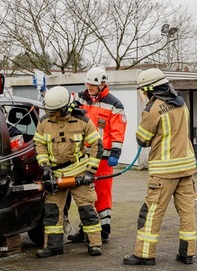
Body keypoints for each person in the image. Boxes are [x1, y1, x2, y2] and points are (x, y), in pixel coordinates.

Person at [123, 68, 197, 266]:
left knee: (151, 212)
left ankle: (144, 254)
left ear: (149, 89)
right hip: (186, 167)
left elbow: (143, 140)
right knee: (187, 211)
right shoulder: (181, 103)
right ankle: (187, 253)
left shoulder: (153, 109)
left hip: (164, 172)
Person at [34, 86, 103, 258]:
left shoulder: (82, 120)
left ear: (65, 108)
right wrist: (45, 166)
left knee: (87, 209)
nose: (52, 115)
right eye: (50, 111)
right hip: (56, 174)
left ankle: (94, 244)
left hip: (79, 171)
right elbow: (40, 145)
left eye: (55, 112)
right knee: (52, 212)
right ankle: (53, 246)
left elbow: (97, 145)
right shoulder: (44, 122)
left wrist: (90, 171)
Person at [68, 67, 127, 244]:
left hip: (103, 157)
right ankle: (85, 229)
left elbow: (118, 130)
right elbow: (63, 102)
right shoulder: (79, 98)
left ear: (102, 84)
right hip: (82, 156)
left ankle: (103, 230)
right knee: (84, 193)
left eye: (93, 84)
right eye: (87, 83)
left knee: (102, 193)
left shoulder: (114, 104)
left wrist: (115, 153)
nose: (89, 87)